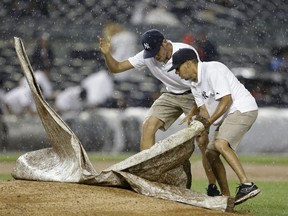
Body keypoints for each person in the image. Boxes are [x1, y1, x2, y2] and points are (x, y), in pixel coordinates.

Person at [98, 29, 219, 194]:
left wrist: (195, 110)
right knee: (148, 126)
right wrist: (107, 54)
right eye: (151, 52)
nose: (155, 56)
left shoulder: (184, 52)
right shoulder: (147, 55)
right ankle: (146, 180)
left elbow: (198, 83)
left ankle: (212, 186)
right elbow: (117, 67)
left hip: (193, 94)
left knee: (202, 140)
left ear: (164, 42)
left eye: (156, 51)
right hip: (170, 94)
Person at [168, 48, 261, 204]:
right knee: (210, 153)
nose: (176, 72)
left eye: (178, 68)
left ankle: (247, 185)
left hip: (242, 108)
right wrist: (197, 126)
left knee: (219, 143)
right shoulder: (194, 84)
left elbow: (227, 100)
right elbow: (204, 111)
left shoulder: (213, 69)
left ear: (189, 63)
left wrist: (209, 123)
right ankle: (226, 198)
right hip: (227, 115)